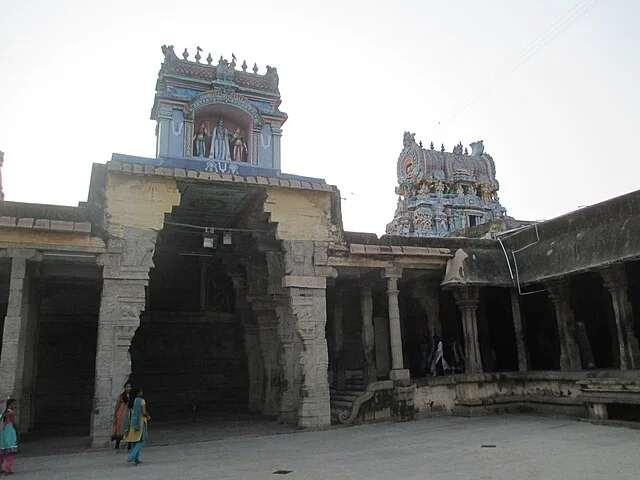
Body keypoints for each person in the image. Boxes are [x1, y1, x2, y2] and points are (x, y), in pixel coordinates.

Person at [124, 387, 151, 466]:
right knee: (142, 440)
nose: (142, 392)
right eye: (141, 391)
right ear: (138, 392)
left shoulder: (131, 400)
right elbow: (144, 412)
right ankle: (131, 456)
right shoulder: (141, 400)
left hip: (132, 422)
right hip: (140, 422)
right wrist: (148, 415)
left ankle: (136, 459)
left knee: (134, 441)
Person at [0, 398, 19, 475]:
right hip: (10, 432)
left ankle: (0, 468)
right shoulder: (11, 413)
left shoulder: (3, 413)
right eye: (14, 404)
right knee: (10, 452)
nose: (15, 405)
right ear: (10, 404)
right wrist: (17, 431)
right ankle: (8, 469)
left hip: (3, 432)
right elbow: (14, 423)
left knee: (1, 452)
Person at [112, 381, 132, 452]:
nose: (128, 388)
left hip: (129, 415)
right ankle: (117, 446)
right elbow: (116, 407)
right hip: (121, 415)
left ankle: (129, 447)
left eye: (129, 387)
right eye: (127, 387)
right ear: (124, 388)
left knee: (129, 430)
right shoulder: (120, 397)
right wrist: (115, 417)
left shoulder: (132, 396)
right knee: (120, 431)